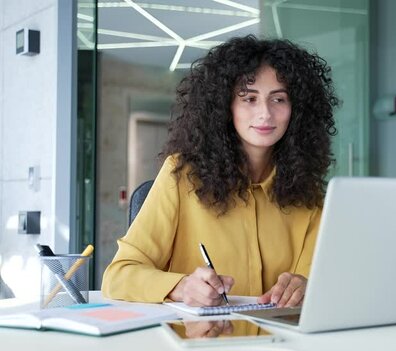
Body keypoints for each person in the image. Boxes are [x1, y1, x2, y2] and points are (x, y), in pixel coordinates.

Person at [101, 35, 338, 308]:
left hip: (279, 348)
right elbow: (118, 275)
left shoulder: (310, 195)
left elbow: (317, 282)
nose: (265, 114)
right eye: (249, 98)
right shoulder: (181, 176)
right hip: (197, 346)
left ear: (297, 110)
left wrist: (306, 287)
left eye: (279, 99)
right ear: (226, 106)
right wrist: (180, 287)